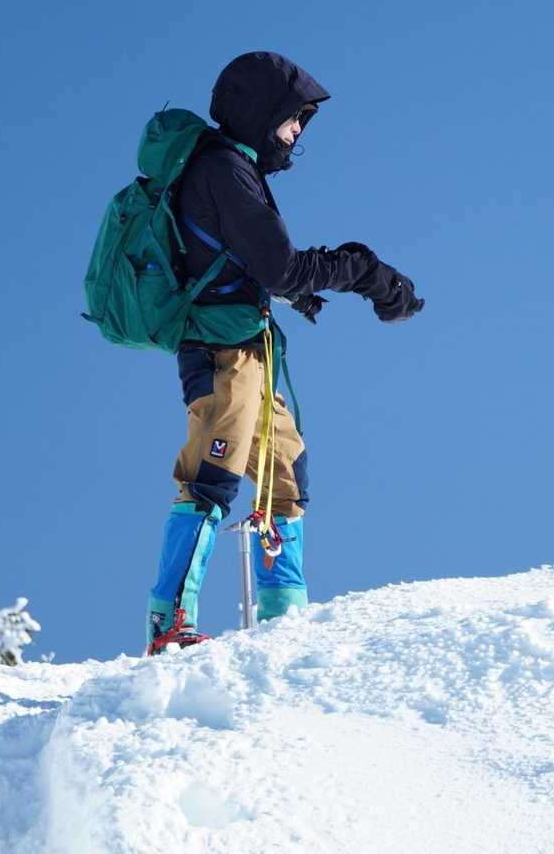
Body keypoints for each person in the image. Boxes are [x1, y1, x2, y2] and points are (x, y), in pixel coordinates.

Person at [146, 51, 423, 654]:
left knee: (285, 474)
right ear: (260, 110)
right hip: (220, 356)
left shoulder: (234, 168)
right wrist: (365, 272)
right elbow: (280, 266)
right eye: (293, 117)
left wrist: (293, 291)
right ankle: (168, 624)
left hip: (249, 352)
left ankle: (283, 624)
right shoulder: (224, 169)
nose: (296, 132)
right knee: (210, 478)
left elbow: (247, 261)